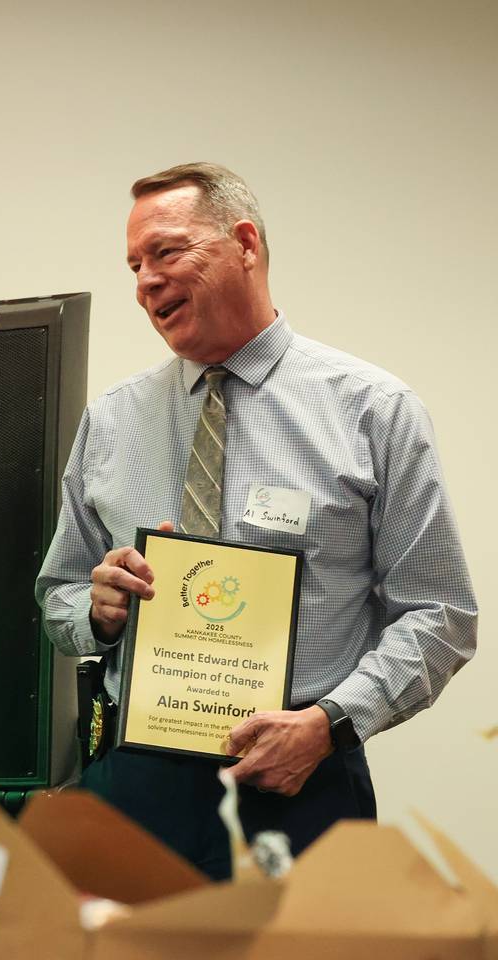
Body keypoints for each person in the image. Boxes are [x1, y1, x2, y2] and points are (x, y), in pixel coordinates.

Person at [36, 162, 478, 879]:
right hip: (139, 782)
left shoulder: (374, 410)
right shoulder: (112, 421)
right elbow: (56, 595)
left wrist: (328, 725)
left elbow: (440, 614)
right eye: (135, 264)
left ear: (244, 242)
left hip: (303, 781)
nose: (146, 280)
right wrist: (98, 609)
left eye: (168, 251)